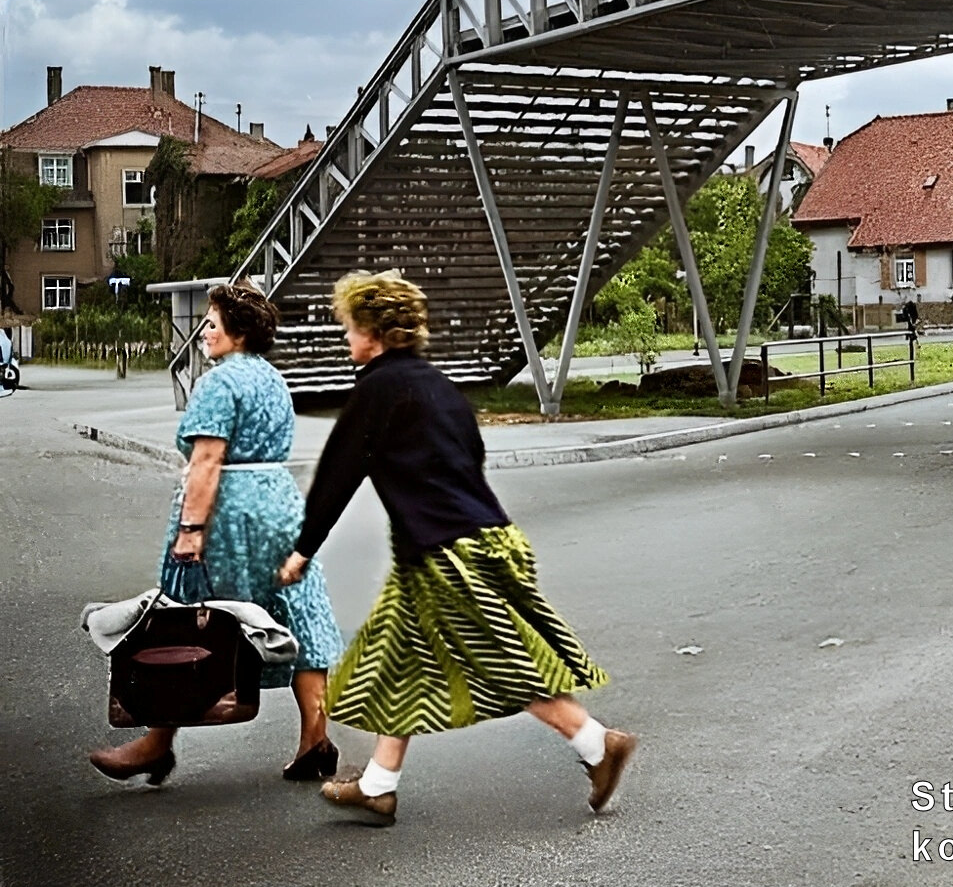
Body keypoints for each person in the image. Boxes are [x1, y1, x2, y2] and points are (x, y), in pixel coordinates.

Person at [279, 271, 636, 824]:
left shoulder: (377, 389)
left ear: (374, 332)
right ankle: (377, 785)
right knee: (397, 662)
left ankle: (596, 743)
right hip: (480, 538)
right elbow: (470, 454)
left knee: (502, 661)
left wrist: (303, 549)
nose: (346, 338)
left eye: (350, 327)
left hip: (446, 554)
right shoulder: (439, 386)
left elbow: (338, 475)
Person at [90, 284, 345, 786]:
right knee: (298, 614)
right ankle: (315, 740)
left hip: (229, 513)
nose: (205, 331)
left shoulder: (218, 382)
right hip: (278, 504)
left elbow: (208, 459)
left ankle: (157, 742)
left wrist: (190, 531)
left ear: (239, 332)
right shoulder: (272, 379)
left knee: (181, 615)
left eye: (213, 323)